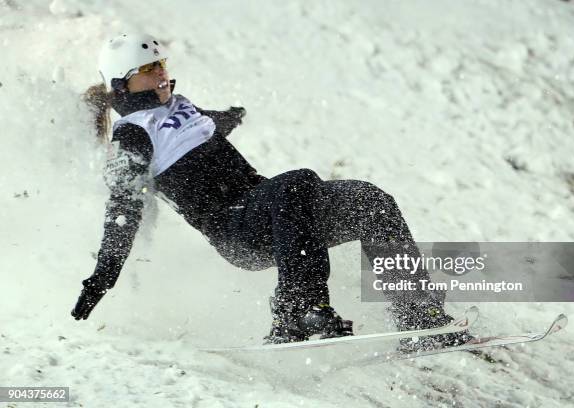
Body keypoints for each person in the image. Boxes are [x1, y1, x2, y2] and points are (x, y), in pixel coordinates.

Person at [72, 33, 471, 349]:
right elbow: (123, 206)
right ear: (123, 83)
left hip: (279, 213)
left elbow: (199, 130)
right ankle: (295, 309)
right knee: (293, 182)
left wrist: (228, 117)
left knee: (370, 201)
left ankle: (420, 317)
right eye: (148, 68)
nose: (160, 73)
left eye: (161, 63)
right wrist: (103, 276)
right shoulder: (131, 135)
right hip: (240, 233)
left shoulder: (175, 105)